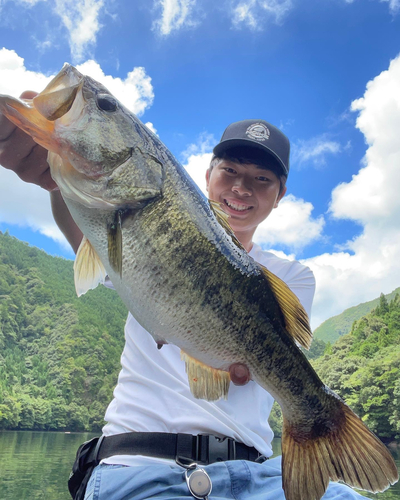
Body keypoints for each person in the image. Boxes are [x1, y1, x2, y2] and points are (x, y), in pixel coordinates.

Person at [0, 101, 370, 499]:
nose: (242, 187)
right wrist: (57, 173)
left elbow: (258, 349)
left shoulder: (293, 276)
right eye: (230, 171)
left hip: (258, 475)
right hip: (140, 462)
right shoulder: (138, 223)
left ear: (280, 195)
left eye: (262, 178)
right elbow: (84, 224)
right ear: (208, 174)